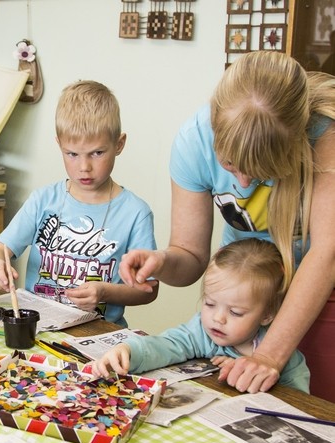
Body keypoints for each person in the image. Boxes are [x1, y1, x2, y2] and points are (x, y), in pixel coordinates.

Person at [119, 51, 334, 400]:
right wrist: (163, 262)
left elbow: (326, 254)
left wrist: (269, 355)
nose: (245, 183)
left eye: (263, 170)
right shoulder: (194, 140)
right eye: (231, 165)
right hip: (248, 290)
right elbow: (189, 256)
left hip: (323, 286)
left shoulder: (326, 139)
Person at [0, 80, 158, 327]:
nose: (84, 167)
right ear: (59, 146)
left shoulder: (135, 213)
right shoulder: (43, 200)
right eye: (72, 154)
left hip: (98, 334)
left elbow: (147, 290)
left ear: (119, 144)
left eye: (97, 153)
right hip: (40, 329)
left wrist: (105, 292)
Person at [95, 239, 310, 393]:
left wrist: (245, 370)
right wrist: (129, 351)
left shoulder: (285, 356)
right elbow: (167, 344)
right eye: (209, 303)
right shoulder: (201, 331)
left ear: (267, 315)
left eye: (235, 312)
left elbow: (298, 403)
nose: (218, 318)